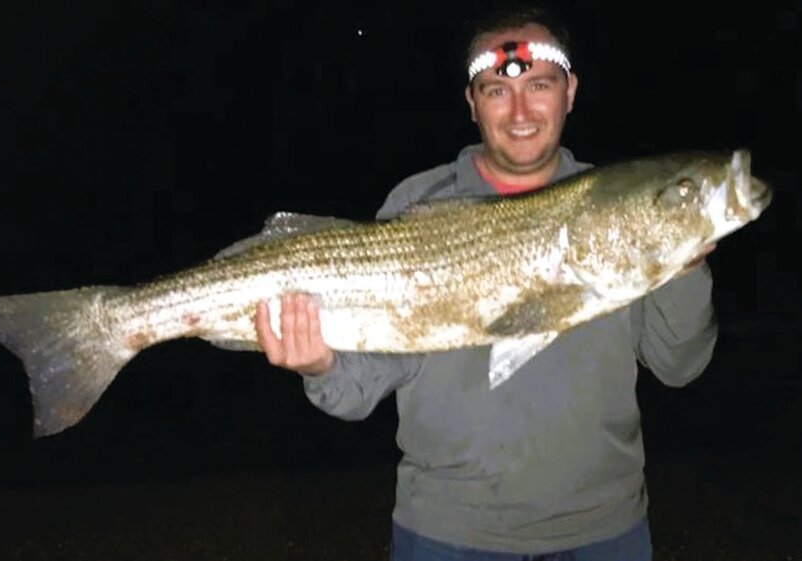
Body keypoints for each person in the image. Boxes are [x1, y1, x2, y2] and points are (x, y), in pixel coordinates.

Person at [254, 5, 717, 560]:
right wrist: (321, 366)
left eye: (539, 85)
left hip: (604, 530)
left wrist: (686, 262)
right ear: (472, 103)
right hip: (448, 534)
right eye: (496, 90)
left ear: (569, 91)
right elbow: (364, 384)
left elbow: (680, 366)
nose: (520, 111)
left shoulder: (617, 207)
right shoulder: (418, 203)